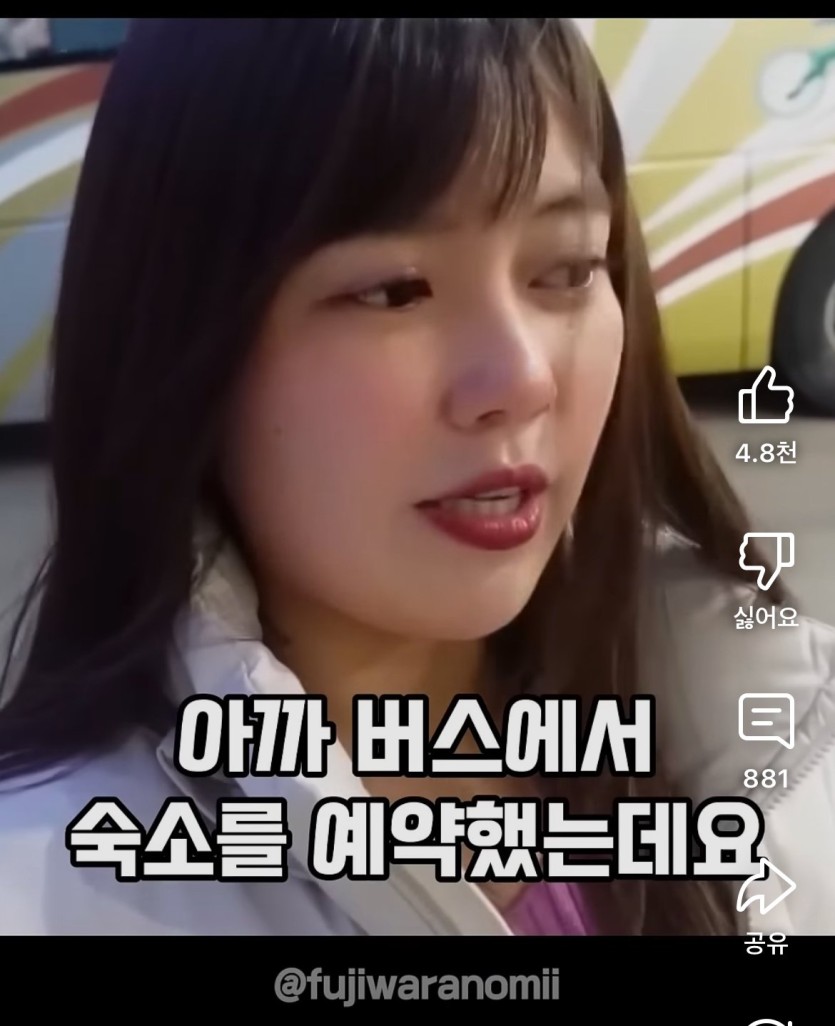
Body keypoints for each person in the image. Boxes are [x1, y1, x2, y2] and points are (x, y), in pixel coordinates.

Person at [0, 17, 833, 937]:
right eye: (392, 291)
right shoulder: (55, 887)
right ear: (178, 337)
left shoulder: (774, 720)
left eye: (565, 270)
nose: (522, 379)